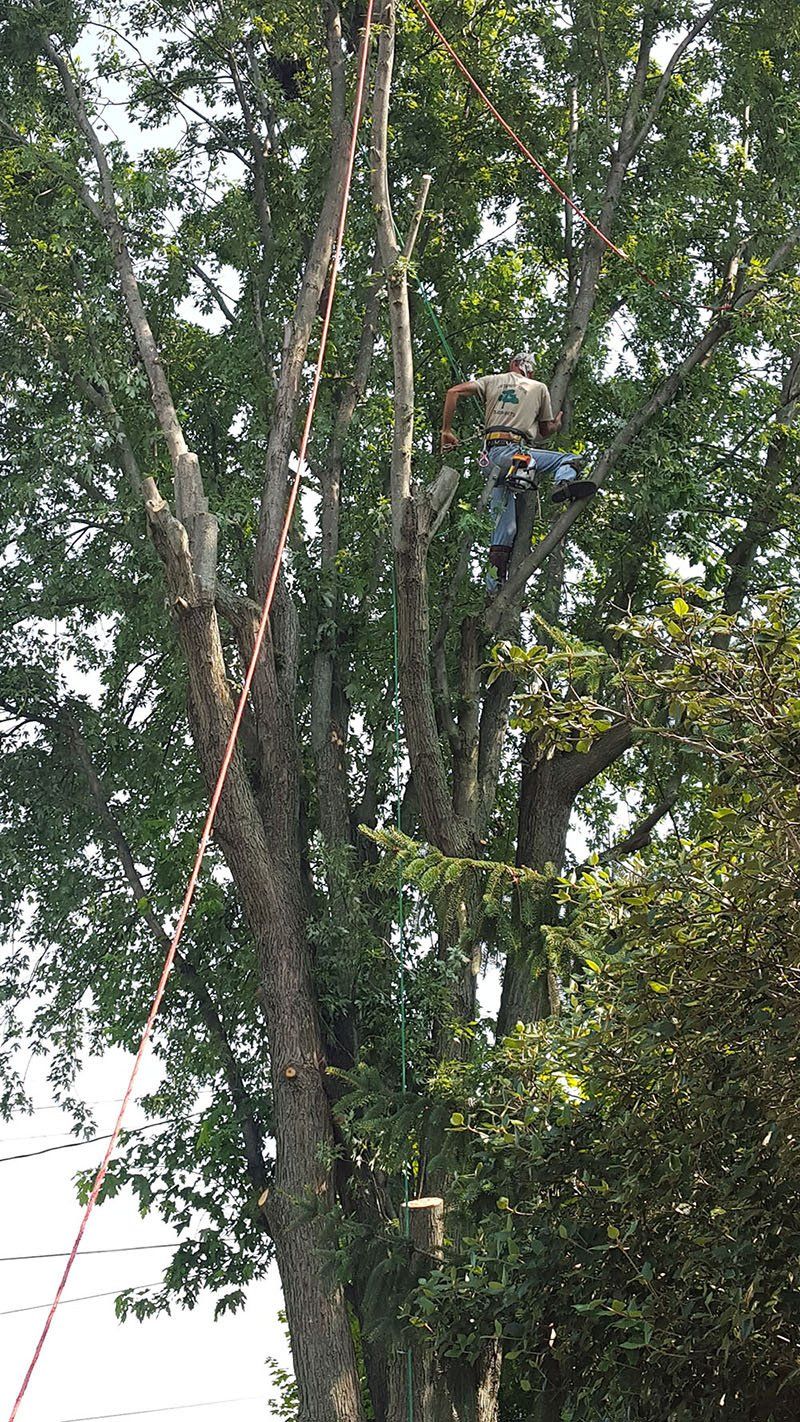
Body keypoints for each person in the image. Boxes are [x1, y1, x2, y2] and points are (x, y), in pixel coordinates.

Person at [440, 353, 595, 589]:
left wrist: (446, 430)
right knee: (569, 459)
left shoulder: (491, 381)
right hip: (513, 453)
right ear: (529, 371)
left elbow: (453, 392)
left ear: (512, 364)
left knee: (505, 529)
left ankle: (494, 587)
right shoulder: (539, 387)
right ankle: (562, 484)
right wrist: (555, 426)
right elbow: (544, 431)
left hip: (492, 461)